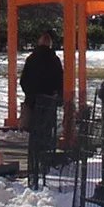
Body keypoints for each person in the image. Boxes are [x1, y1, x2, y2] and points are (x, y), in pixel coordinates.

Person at [19, 30, 65, 187]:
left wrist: (30, 94)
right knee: (47, 130)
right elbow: (60, 81)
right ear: (50, 44)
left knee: (34, 131)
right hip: (49, 101)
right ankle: (45, 160)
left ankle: (34, 159)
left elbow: (24, 80)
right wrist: (57, 96)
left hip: (33, 101)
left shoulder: (31, 59)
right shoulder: (54, 60)